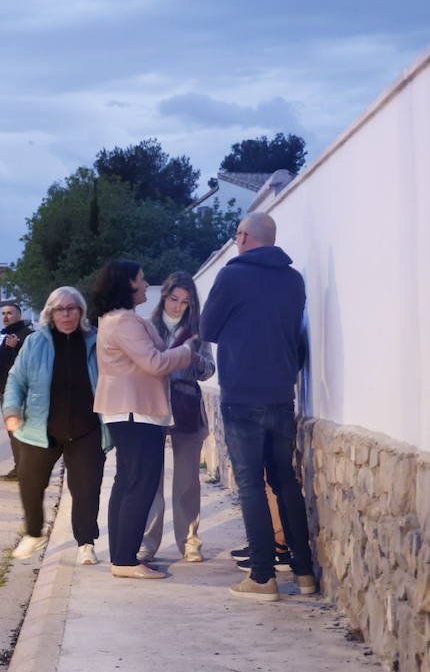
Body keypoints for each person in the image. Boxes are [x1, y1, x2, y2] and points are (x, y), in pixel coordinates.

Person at [201, 211, 318, 601]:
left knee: (251, 484)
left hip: (242, 395)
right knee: (285, 481)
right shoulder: (293, 279)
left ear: (245, 236)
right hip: (282, 394)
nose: (236, 242)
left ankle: (263, 577)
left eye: (237, 235)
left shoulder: (232, 276)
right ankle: (304, 573)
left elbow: (208, 329)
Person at [92, 260, 194, 580]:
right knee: (139, 484)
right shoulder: (124, 322)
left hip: (131, 410)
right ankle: (124, 560)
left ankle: (122, 556)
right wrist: (189, 351)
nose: (146, 283)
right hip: (136, 411)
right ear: (127, 284)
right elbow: (154, 362)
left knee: (128, 482)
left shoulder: (119, 320)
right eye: (140, 278)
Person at [2, 287, 109, 565]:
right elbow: (16, 380)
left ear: (81, 312)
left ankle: (86, 542)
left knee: (86, 488)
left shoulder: (97, 342)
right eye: (60, 309)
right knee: (30, 482)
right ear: (50, 313)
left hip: (87, 429)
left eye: (72, 308)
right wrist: (12, 410)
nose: (66, 314)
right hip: (41, 428)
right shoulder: (35, 343)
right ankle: (34, 533)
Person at [138, 272, 215, 563]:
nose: (178, 306)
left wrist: (193, 359)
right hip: (154, 403)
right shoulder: (147, 326)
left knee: (187, 479)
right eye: (174, 299)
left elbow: (209, 370)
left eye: (185, 301)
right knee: (150, 478)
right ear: (164, 297)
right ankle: (147, 541)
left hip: (187, 403)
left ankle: (190, 541)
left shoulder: (198, 330)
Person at [0, 303, 34, 481]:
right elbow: (1, 369)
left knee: (21, 433)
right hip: (6, 391)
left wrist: (18, 347)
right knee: (13, 433)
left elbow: (33, 363)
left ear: (19, 315)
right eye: (3, 314)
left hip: (21, 393)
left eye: (10, 313)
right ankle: (20, 467)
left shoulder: (28, 336)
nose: (5, 317)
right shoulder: (7, 339)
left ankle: (26, 470)